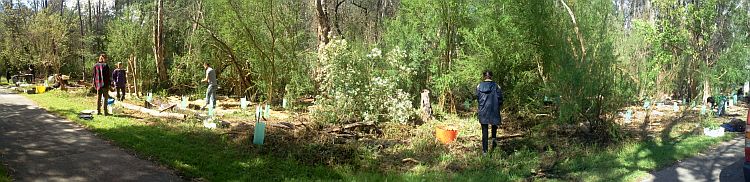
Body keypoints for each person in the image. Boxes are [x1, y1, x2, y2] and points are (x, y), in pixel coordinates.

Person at [476, 70, 503, 156]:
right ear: (491, 76)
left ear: (484, 77)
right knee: (494, 125)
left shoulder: (479, 86)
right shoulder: (497, 86)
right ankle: (494, 140)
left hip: (483, 111)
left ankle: (485, 151)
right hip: (494, 110)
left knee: (484, 131)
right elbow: (500, 99)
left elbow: (477, 98)